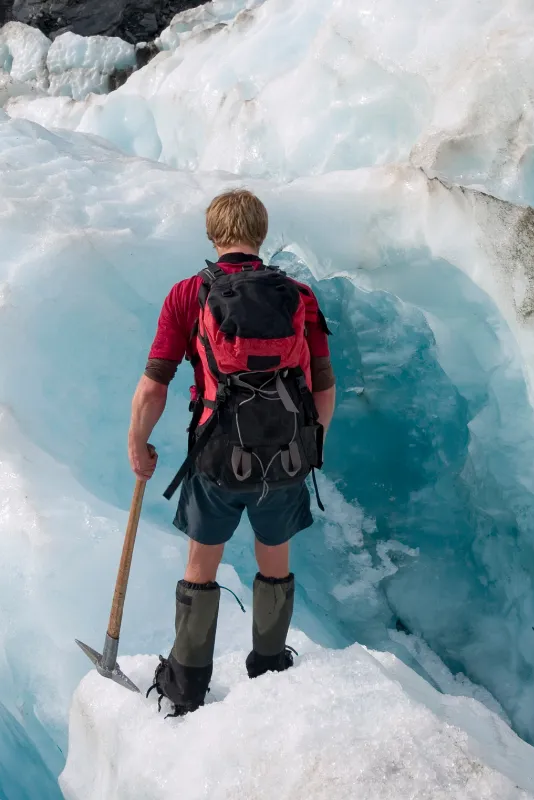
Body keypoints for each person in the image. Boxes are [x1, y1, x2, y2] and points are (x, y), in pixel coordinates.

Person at [126, 188, 336, 717]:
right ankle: (269, 671)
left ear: (213, 234)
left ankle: (186, 687)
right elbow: (323, 387)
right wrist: (308, 446)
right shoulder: (298, 295)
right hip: (285, 457)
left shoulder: (187, 295)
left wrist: (137, 442)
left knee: (202, 564)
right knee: (275, 558)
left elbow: (155, 383)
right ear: (260, 234)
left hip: (216, 455)